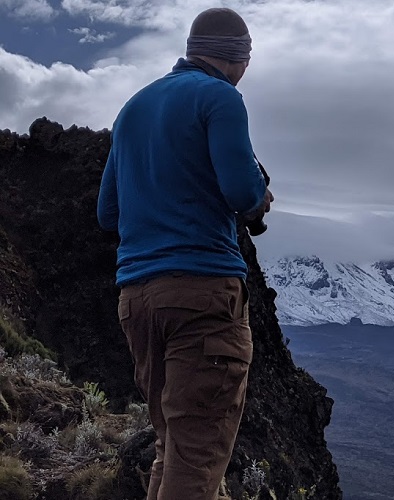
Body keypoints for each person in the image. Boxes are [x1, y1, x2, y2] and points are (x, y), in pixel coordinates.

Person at [97, 8, 273, 499]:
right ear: (239, 56)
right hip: (202, 294)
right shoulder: (221, 98)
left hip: (137, 300)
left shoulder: (132, 108)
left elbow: (107, 214)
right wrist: (259, 197)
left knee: (173, 446)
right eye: (248, 57)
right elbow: (241, 192)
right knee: (197, 458)